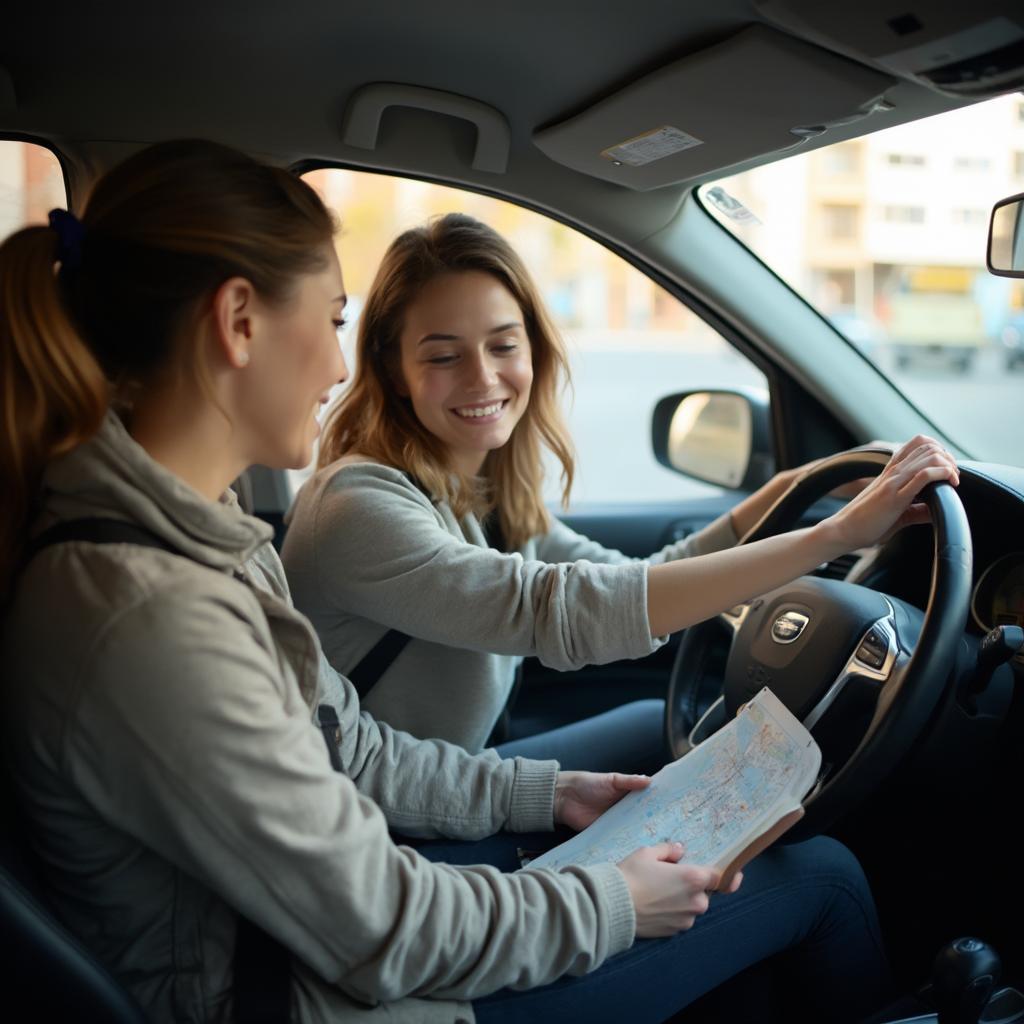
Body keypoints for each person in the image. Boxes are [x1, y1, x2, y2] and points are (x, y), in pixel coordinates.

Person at [0, 140, 941, 1024]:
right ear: (240, 322)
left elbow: (357, 750)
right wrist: (607, 903)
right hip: (302, 994)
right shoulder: (152, 613)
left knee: (689, 801)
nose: (334, 366)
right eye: (332, 322)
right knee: (819, 879)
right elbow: (379, 925)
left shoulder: (200, 545)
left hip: (318, 936)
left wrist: (553, 797)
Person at [282, 212, 958, 772]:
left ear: (534, 351)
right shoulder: (358, 510)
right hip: (386, 835)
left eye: (502, 345)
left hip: (451, 778)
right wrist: (832, 538)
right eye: (442, 355)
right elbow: (564, 611)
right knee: (826, 879)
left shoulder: (479, 495)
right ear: (395, 371)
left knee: (656, 729)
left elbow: (639, 584)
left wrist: (790, 489)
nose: (483, 378)